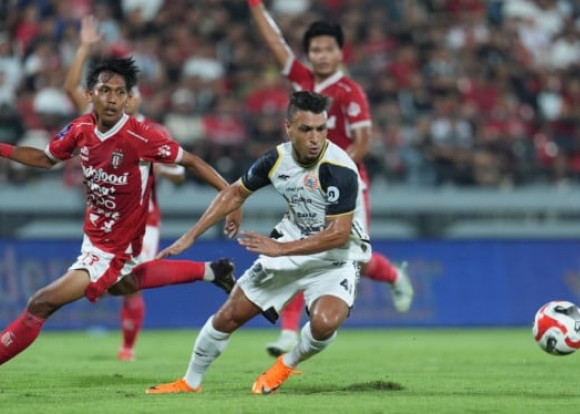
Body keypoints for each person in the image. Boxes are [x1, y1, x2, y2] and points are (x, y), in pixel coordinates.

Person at [0, 56, 239, 366]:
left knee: (41, 302)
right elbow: (45, 159)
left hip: (116, 246)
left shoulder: (141, 136)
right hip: (95, 236)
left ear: (128, 99)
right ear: (90, 95)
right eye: (105, 90)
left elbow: (191, 161)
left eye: (119, 92)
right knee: (125, 285)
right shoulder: (80, 128)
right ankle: (213, 271)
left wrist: (233, 195)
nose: (112, 99)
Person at [146, 91, 370, 395]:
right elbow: (234, 192)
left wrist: (281, 249)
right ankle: (190, 382)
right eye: (306, 129)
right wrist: (191, 235)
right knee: (228, 316)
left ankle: (285, 364)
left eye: (321, 129)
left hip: (335, 256)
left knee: (325, 323)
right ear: (288, 128)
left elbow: (338, 234)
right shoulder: (276, 159)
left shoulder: (340, 169)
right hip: (290, 247)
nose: (315, 138)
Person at [248, 0, 413, 356]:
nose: (322, 56)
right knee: (303, 247)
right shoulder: (303, 82)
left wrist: (330, 177)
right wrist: (255, 6)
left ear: (340, 53)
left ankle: (394, 275)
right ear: (308, 54)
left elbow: (363, 143)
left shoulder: (349, 92)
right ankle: (289, 333)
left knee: (358, 259)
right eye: (315, 50)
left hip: (348, 187)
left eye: (328, 49)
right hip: (308, 186)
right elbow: (276, 43)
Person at [63, 15, 187, 361]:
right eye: (113, 91)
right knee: (109, 283)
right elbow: (71, 89)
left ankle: (127, 349)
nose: (122, 98)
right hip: (103, 219)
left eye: (127, 92)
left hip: (142, 221)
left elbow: (180, 172)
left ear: (134, 98)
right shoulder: (97, 119)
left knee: (129, 284)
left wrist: (161, 167)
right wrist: (84, 48)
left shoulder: (154, 132)